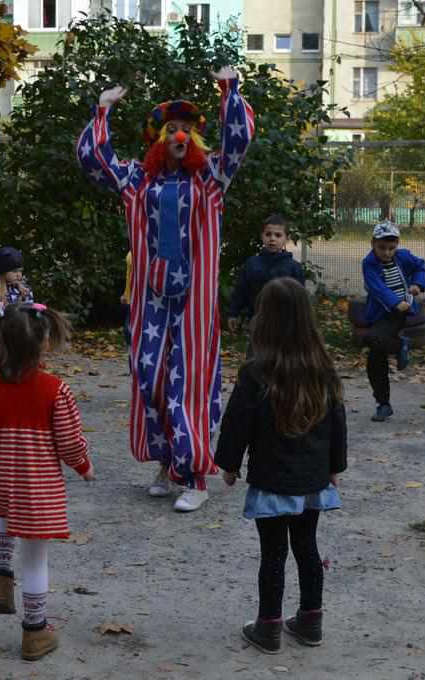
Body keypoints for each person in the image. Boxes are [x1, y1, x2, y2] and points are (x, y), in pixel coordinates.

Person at [77, 66, 254, 512]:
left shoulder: (211, 178)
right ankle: (164, 461)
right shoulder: (138, 181)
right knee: (149, 371)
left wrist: (229, 89)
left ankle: (194, 474)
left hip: (194, 300)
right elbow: (94, 161)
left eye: (187, 129)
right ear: (158, 139)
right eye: (171, 129)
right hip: (150, 296)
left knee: (190, 380)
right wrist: (103, 111)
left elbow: (239, 139)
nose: (180, 135)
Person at [0, 302, 94, 661]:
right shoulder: (55, 390)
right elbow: (69, 442)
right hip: (36, 487)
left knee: (1, 513)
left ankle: (0, 575)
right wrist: (83, 466)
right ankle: (35, 632)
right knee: (35, 559)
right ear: (44, 344)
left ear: (0, 344)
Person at [216, 278, 346, 653]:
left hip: (273, 480)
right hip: (312, 481)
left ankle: (268, 626)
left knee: (272, 553)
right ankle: (310, 621)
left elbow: (237, 421)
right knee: (306, 545)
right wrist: (335, 466)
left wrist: (229, 463)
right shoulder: (323, 367)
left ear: (265, 320)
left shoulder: (257, 372)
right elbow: (338, 422)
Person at [361, 220, 425, 422]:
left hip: (401, 311)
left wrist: (417, 284)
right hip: (382, 312)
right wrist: (393, 302)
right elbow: (376, 287)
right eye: (382, 248)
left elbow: (420, 266)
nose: (387, 253)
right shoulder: (369, 263)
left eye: (392, 248)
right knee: (375, 354)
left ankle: (400, 345)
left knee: (374, 339)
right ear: (373, 243)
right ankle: (383, 403)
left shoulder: (403, 256)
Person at [228, 214, 306, 333]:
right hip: (256, 323)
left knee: (282, 352)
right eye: (268, 234)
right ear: (262, 236)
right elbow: (240, 290)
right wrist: (233, 314)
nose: (272, 238)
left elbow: (300, 299)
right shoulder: (252, 264)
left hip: (285, 325)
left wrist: (300, 322)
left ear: (286, 238)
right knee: (257, 351)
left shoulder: (293, 267)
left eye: (278, 235)